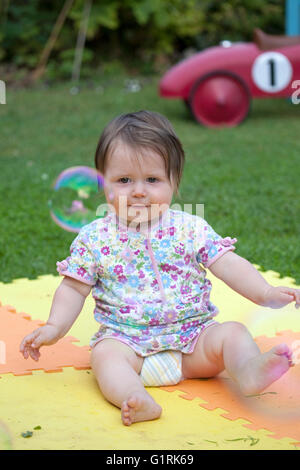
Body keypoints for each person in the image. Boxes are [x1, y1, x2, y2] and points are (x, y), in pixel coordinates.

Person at [20, 110, 300, 426]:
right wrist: (55, 327)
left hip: (195, 341)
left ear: (174, 182)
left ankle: (249, 371)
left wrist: (265, 291)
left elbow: (228, 264)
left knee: (233, 334)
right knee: (104, 357)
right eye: (124, 180)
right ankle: (134, 397)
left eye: (152, 180)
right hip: (128, 344)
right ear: (105, 183)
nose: (138, 191)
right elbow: (73, 287)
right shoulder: (95, 238)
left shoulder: (190, 228)